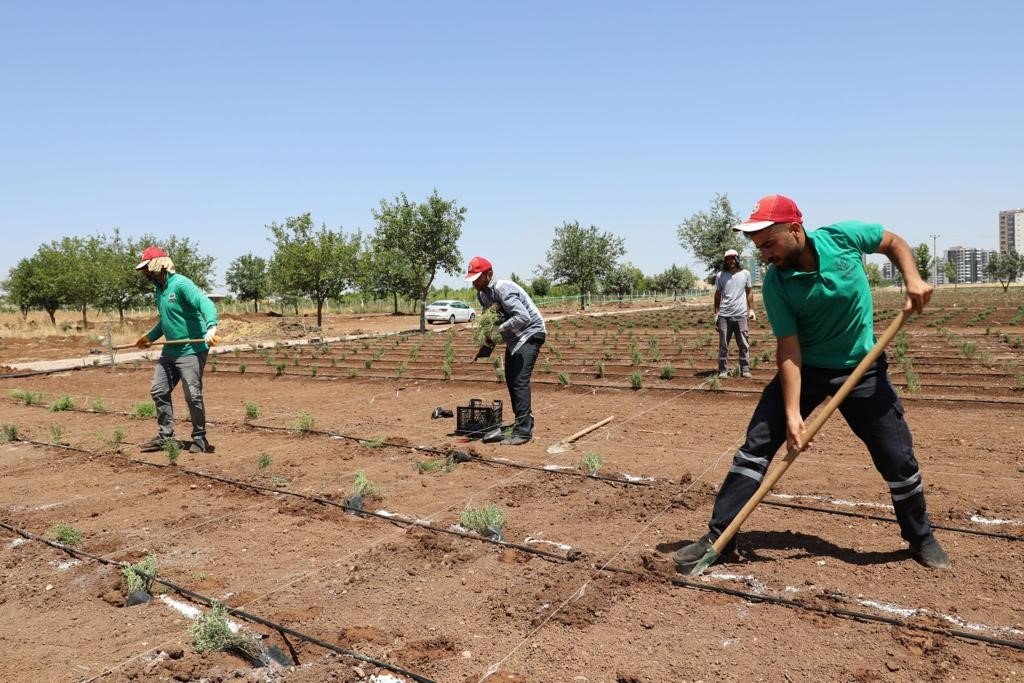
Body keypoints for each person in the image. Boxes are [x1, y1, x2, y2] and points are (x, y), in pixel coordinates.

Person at [673, 195, 951, 571]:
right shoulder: (777, 284)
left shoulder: (843, 238)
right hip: (808, 370)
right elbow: (789, 350)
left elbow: (892, 242)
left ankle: (921, 538)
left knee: (896, 458)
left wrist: (912, 279)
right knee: (756, 447)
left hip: (862, 370)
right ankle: (720, 537)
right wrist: (791, 414)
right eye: (759, 248)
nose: (764, 255)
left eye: (769, 244)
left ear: (794, 230)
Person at [134, 246, 219, 454]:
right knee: (159, 390)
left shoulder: (181, 284)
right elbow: (166, 322)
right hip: (170, 351)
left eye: (147, 268)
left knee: (193, 394)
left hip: (191, 349)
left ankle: (200, 438)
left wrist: (211, 327)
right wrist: (149, 337)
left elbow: (204, 302)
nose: (145, 273)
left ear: (158, 265)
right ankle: (165, 436)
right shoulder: (159, 289)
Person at [466, 256, 547, 445]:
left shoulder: (503, 289)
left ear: (489, 274)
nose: (475, 283)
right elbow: (493, 322)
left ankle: (523, 432)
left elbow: (523, 317)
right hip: (515, 340)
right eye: (472, 280)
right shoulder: (482, 295)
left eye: (478, 278)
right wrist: (486, 343)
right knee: (511, 379)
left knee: (519, 380)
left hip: (531, 333)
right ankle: (524, 421)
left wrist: (499, 329)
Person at [714, 248, 755, 378]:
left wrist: (751, 309)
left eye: (732, 258)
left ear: (737, 259)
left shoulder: (745, 274)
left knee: (743, 343)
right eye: (728, 258)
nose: (730, 261)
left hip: (741, 314)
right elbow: (717, 295)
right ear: (725, 261)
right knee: (723, 344)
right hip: (724, 315)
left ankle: (745, 368)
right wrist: (716, 313)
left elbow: (749, 292)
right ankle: (723, 370)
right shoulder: (720, 275)